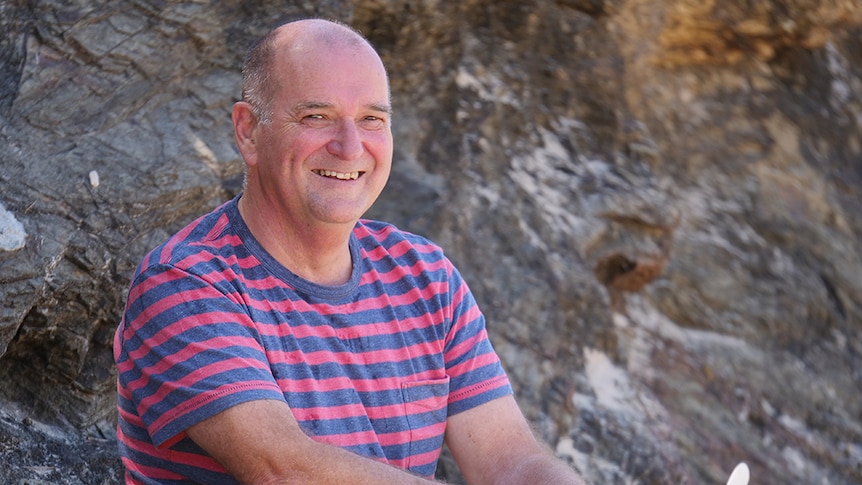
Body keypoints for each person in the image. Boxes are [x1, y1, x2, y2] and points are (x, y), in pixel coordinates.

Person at [114, 17, 587, 485]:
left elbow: (510, 462)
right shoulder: (185, 284)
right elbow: (284, 471)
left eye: (371, 120)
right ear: (249, 131)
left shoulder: (424, 275)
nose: (349, 146)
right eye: (316, 116)